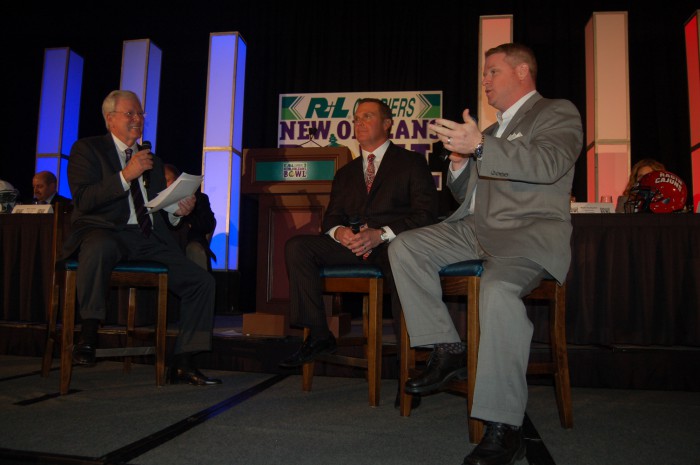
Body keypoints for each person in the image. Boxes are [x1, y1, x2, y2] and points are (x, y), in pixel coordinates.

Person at [388, 43, 583, 465]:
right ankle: (446, 346)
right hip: (475, 230)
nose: (485, 80)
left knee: (497, 293)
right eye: (484, 73)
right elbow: (469, 194)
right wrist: (459, 163)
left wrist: (478, 147)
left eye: (493, 71)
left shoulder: (556, 112)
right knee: (405, 246)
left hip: (525, 237)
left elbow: (549, 163)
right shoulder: (489, 133)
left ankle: (503, 426)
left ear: (523, 71)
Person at [279, 98, 439, 405]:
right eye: (356, 118)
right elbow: (331, 218)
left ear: (388, 124)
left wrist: (380, 235)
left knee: (401, 262)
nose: (359, 122)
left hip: (393, 245)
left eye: (367, 116)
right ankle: (319, 333)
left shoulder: (411, 163)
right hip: (352, 246)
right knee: (298, 247)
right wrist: (341, 233)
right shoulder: (346, 172)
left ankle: (409, 372)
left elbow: (425, 215)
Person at [63, 89, 221, 386]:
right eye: (130, 114)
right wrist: (126, 175)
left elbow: (157, 207)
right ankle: (88, 334)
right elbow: (83, 200)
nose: (138, 119)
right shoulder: (87, 149)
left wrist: (178, 210)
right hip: (105, 230)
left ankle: (185, 360)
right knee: (98, 246)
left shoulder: (152, 160)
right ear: (110, 119)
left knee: (202, 282)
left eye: (140, 114)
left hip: (148, 238)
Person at [164, 163, 217, 271]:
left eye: (167, 181)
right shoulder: (158, 202)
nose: (164, 185)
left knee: (194, 250)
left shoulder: (199, 198)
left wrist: (186, 215)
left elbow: (208, 224)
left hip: (190, 242)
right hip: (167, 245)